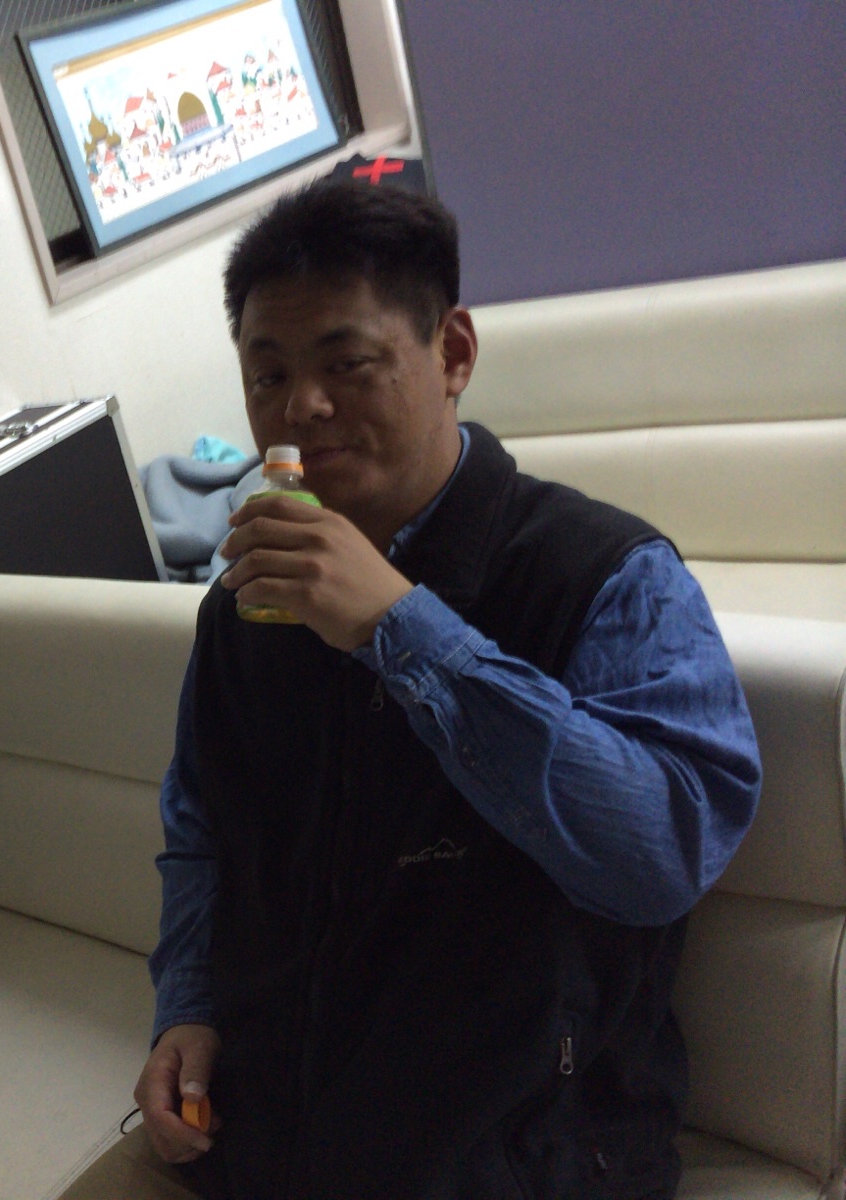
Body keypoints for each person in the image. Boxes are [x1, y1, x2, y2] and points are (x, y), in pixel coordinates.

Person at [133, 180, 762, 1199]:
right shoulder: (245, 603)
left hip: (519, 1156)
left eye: (347, 363)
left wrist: (398, 627)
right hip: (261, 1143)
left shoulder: (608, 576)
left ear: (453, 352)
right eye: (269, 374)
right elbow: (205, 824)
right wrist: (189, 1004)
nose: (301, 408)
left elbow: (664, 852)